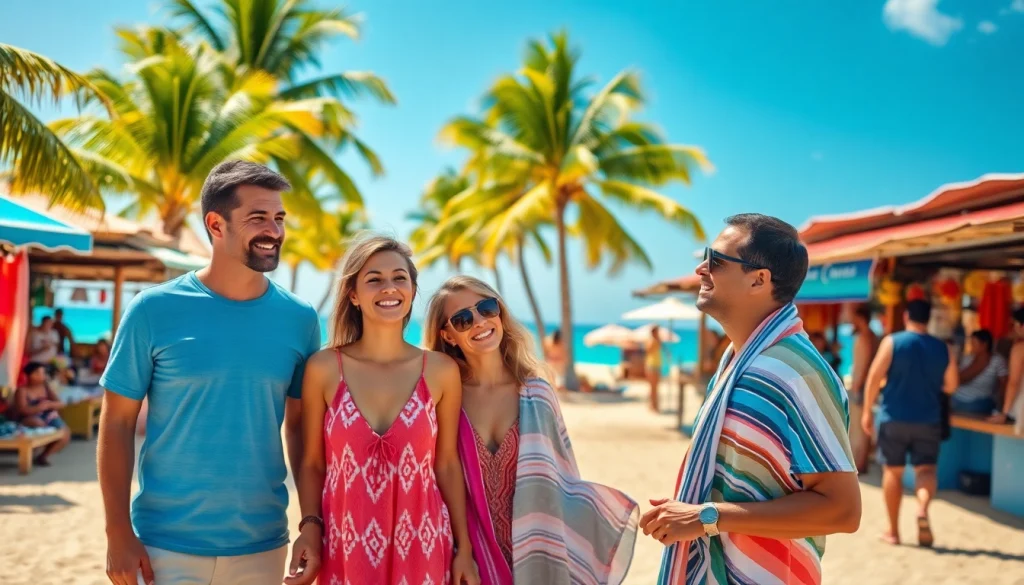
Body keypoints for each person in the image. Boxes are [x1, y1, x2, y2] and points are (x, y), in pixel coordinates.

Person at [98, 161, 322, 585]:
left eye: (278, 218)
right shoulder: (152, 310)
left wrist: (310, 520)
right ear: (216, 225)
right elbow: (117, 424)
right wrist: (117, 532)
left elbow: (300, 430)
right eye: (258, 218)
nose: (274, 230)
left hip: (263, 546)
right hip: (162, 545)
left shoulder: (300, 319)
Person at [643, 214, 860, 585]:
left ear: (759, 280)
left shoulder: (795, 373)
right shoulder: (739, 361)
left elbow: (842, 510)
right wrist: (695, 506)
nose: (700, 268)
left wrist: (705, 517)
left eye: (715, 260)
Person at [423, 275, 639, 585]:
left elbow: (562, 480)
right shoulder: (443, 397)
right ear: (449, 336)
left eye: (486, 308)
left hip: (534, 553)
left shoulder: (537, 392)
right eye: (463, 319)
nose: (480, 322)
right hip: (463, 557)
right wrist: (462, 550)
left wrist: (605, 512)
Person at [287, 235, 478, 585]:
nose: (389, 288)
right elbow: (313, 463)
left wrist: (464, 547)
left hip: (424, 544)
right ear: (354, 295)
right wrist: (310, 526)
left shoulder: (440, 371)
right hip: (343, 546)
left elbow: (447, 464)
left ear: (412, 291)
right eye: (374, 279)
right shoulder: (325, 368)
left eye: (399, 278)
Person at [862, 299, 958, 547]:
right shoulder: (943, 348)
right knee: (926, 470)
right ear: (928, 319)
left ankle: (893, 531)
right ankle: (922, 508)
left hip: (894, 417)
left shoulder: (893, 342)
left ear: (906, 316)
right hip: (929, 419)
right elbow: (951, 385)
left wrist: (866, 411)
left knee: (893, 472)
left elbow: (874, 376)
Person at [14, 362, 71, 465]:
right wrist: (38, 408)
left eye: (43, 373)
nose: (41, 376)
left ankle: (44, 456)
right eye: (38, 373)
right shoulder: (22, 390)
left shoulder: (46, 388)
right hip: (29, 418)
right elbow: (22, 410)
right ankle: (30, 454)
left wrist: (49, 405)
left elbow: (61, 403)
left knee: (65, 433)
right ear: (29, 375)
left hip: (48, 417)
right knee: (37, 423)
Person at [848, 304, 879, 473]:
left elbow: (864, 365)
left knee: (859, 428)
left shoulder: (866, 337)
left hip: (860, 386)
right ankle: (861, 461)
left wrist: (856, 387)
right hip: (863, 386)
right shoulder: (871, 336)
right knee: (862, 427)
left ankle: (859, 463)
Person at [951, 329, 1007, 415]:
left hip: (979, 402)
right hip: (956, 399)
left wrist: (1001, 407)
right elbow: (959, 379)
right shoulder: (967, 358)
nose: (971, 346)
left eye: (974, 343)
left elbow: (1004, 384)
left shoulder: (998, 361)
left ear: (984, 344)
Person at [989, 308, 1024, 431]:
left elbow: (1013, 383)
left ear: (1021, 326)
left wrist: (1004, 413)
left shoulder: (1020, 349)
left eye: (1014, 324)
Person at [645, 325, 664, 411]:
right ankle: (653, 405)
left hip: (656, 365)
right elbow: (648, 351)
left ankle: (654, 404)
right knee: (653, 387)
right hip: (652, 365)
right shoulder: (652, 341)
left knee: (655, 387)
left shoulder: (656, 341)